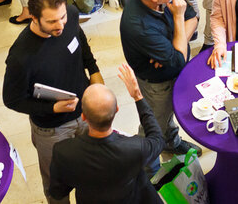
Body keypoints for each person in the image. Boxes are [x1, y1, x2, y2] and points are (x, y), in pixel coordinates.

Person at [2, 0, 102, 204]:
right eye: (52, 21)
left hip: (85, 113)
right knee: (56, 184)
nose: (60, 25)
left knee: (91, 169)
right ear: (34, 18)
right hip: (52, 129)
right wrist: (51, 108)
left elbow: (80, 40)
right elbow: (11, 99)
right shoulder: (21, 56)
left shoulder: (71, 17)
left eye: (62, 17)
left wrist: (93, 70)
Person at [49, 63, 164, 204]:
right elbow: (158, 139)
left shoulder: (63, 151)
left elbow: (57, 192)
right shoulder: (135, 148)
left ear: (83, 116)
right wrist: (137, 96)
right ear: (116, 109)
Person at [119, 0, 200, 159]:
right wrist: (178, 20)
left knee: (166, 118)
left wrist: (174, 46)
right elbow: (179, 59)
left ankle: (171, 143)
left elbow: (194, 18)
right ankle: (145, 166)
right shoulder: (140, 26)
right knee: (153, 125)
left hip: (170, 71)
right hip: (156, 84)